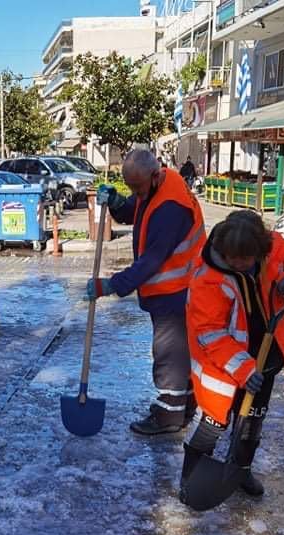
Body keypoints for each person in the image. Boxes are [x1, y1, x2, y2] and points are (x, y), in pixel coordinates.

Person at [181, 210, 284, 499]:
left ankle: (240, 470)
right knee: (214, 420)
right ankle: (191, 476)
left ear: (261, 250)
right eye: (232, 257)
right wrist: (243, 370)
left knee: (253, 419)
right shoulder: (207, 280)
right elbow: (212, 335)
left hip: (267, 356)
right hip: (223, 367)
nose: (238, 263)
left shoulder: (273, 246)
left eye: (246, 258)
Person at [87, 149, 206, 435]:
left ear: (154, 174)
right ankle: (184, 407)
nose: (135, 193)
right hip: (174, 287)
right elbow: (135, 208)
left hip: (178, 289)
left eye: (137, 187)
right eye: (130, 187)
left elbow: (152, 259)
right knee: (179, 353)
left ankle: (169, 416)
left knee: (169, 353)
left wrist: (113, 284)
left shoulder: (171, 207)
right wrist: (117, 202)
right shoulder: (157, 186)